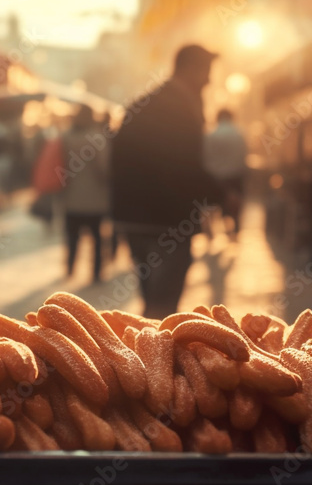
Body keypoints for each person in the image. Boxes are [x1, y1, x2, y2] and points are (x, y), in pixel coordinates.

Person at [110, 45, 222, 319]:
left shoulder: (143, 103)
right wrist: (220, 194)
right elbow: (183, 166)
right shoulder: (180, 109)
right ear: (191, 69)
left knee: (152, 300)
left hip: (134, 218)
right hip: (167, 220)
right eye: (206, 71)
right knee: (163, 308)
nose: (209, 80)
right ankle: (153, 357)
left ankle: (146, 351)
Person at [62, 105, 109, 282]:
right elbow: (104, 169)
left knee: (72, 237)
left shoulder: (67, 136)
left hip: (71, 197)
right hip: (95, 199)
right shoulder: (97, 137)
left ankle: (70, 268)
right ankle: (96, 272)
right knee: (97, 238)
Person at [203, 109, 249, 237]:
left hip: (215, 176)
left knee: (211, 205)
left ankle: (209, 231)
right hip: (235, 175)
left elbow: (206, 157)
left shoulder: (211, 135)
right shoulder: (239, 135)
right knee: (235, 203)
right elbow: (244, 155)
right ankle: (235, 226)